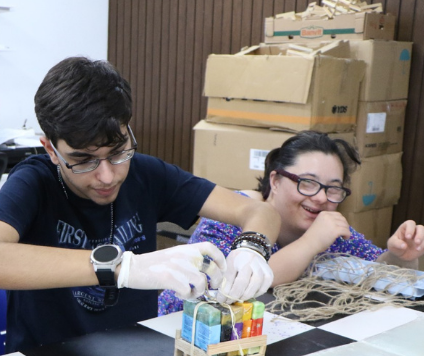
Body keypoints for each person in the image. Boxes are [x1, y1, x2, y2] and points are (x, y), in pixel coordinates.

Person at [0, 56, 281, 352]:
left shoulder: (146, 174)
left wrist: (252, 248)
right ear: (51, 150)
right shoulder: (34, 182)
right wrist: (124, 267)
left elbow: (258, 211)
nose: (107, 176)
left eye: (118, 152)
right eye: (83, 160)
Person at [159, 131, 424, 314]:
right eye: (307, 183)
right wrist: (311, 243)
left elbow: (373, 272)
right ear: (275, 181)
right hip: (176, 335)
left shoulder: (328, 227)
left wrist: (399, 256)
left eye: (333, 189)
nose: (321, 198)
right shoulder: (234, 215)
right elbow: (226, 287)